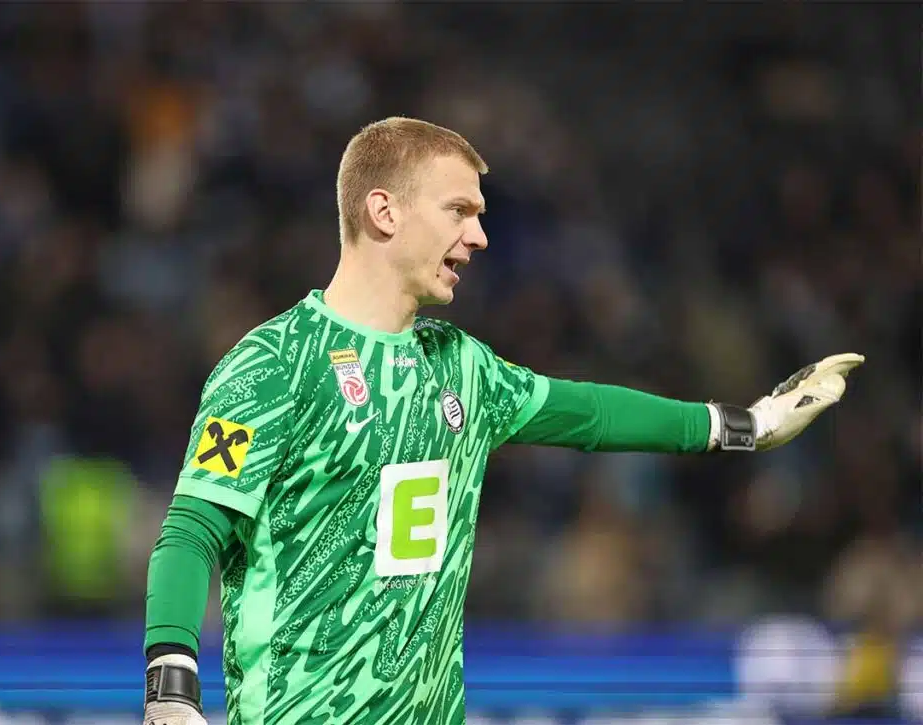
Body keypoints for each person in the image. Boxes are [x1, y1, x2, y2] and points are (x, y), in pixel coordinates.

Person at [142, 117, 864, 725]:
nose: (480, 236)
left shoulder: (462, 367)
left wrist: (748, 424)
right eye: (460, 210)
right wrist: (171, 681)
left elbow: (590, 412)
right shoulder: (274, 365)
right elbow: (193, 528)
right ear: (384, 212)